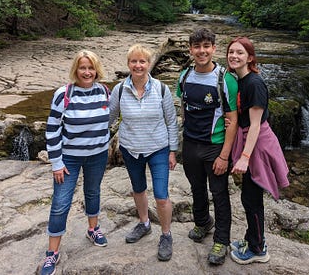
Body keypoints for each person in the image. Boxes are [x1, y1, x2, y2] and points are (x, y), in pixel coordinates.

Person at [40, 50, 110, 275]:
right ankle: (52, 253)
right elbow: (52, 130)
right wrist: (56, 163)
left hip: (98, 155)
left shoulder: (104, 92)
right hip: (69, 158)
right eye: (83, 68)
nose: (87, 72)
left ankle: (93, 229)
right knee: (61, 202)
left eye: (91, 68)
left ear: (96, 70)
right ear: (76, 70)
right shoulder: (64, 94)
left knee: (93, 192)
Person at [108, 44, 179, 261]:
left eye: (142, 61)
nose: (138, 65)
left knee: (161, 194)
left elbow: (171, 121)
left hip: (158, 148)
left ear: (149, 64)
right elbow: (109, 119)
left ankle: (166, 235)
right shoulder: (120, 90)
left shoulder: (161, 89)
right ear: (128, 64)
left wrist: (173, 150)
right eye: (134, 61)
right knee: (138, 189)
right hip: (131, 149)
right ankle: (144, 223)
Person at [176, 28, 238, 265]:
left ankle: (222, 240)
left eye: (206, 46)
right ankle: (202, 223)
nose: (201, 51)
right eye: (196, 47)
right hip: (191, 143)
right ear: (190, 50)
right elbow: (183, 107)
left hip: (215, 145)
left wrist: (224, 156)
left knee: (220, 194)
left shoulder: (226, 80)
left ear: (214, 48)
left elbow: (232, 121)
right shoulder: (184, 77)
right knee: (196, 187)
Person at [226, 36, 289, 265]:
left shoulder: (254, 83)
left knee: (252, 198)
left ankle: (258, 248)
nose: (234, 56)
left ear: (249, 57)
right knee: (248, 197)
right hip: (249, 140)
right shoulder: (239, 80)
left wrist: (244, 157)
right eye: (231, 52)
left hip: (257, 144)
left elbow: (255, 124)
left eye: (240, 53)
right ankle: (252, 239)